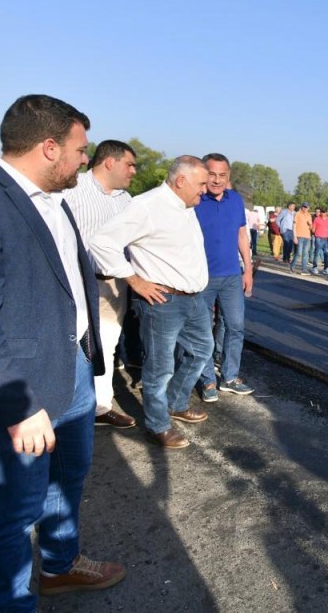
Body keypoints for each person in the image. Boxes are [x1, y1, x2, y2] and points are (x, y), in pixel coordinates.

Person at [0, 95, 125, 610]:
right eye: (80, 150)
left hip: (73, 371)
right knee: (15, 509)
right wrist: (17, 406)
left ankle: (59, 567)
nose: (86, 159)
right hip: (15, 391)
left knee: (68, 480)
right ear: (49, 146)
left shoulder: (54, 200)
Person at [89, 156, 213, 450]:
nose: (205, 190)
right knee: (160, 368)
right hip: (163, 302)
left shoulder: (186, 206)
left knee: (201, 350)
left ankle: (175, 402)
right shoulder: (147, 206)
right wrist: (135, 280)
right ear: (180, 181)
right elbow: (101, 241)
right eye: (201, 184)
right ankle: (158, 425)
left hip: (193, 300)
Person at [63, 139, 139, 430]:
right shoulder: (73, 189)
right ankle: (65, 405)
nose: (133, 171)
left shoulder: (126, 200)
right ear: (110, 162)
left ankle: (99, 407)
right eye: (129, 164)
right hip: (74, 283)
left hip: (113, 286)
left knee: (106, 344)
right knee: (69, 344)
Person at [193, 153, 254, 402]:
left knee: (236, 327)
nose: (216, 180)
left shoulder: (235, 200)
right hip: (201, 277)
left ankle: (229, 377)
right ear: (204, 174)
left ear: (228, 176)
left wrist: (248, 269)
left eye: (222, 175)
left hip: (231, 276)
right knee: (203, 330)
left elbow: (241, 234)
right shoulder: (194, 200)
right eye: (212, 175)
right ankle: (207, 380)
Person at [292, 202, 313, 274]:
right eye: (304, 207)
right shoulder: (298, 213)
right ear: (302, 207)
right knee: (299, 252)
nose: (305, 208)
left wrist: (310, 225)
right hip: (299, 236)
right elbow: (294, 225)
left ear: (308, 208)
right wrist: (294, 237)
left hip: (307, 236)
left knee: (305, 253)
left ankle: (304, 269)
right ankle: (293, 265)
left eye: (306, 207)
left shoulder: (309, 215)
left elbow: (311, 228)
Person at [311, 207, 328, 274]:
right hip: (318, 238)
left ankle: (325, 269)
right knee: (317, 253)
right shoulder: (317, 219)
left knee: (326, 253)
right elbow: (313, 229)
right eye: (322, 212)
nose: (323, 213)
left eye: (324, 212)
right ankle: (314, 267)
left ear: (326, 212)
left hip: (326, 238)